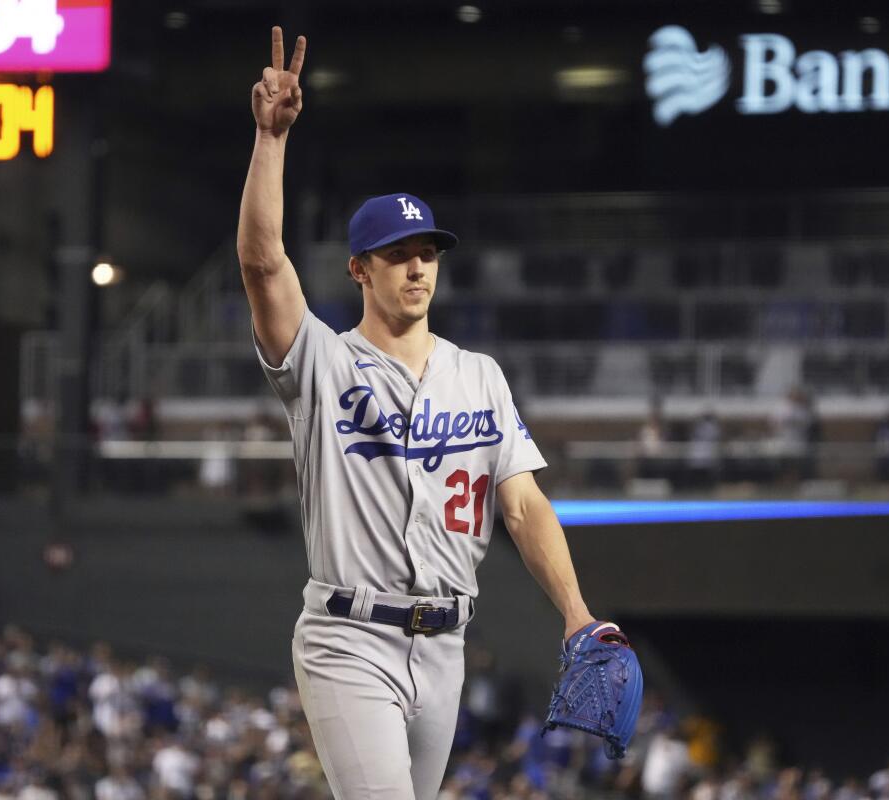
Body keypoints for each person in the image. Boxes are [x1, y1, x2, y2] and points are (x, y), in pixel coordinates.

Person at [238, 27, 610, 800]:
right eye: (399, 251)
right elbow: (263, 262)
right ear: (359, 268)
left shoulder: (478, 376)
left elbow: (523, 503)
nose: (417, 266)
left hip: (446, 645)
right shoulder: (322, 361)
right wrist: (270, 140)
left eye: (428, 252)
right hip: (348, 637)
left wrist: (576, 613)